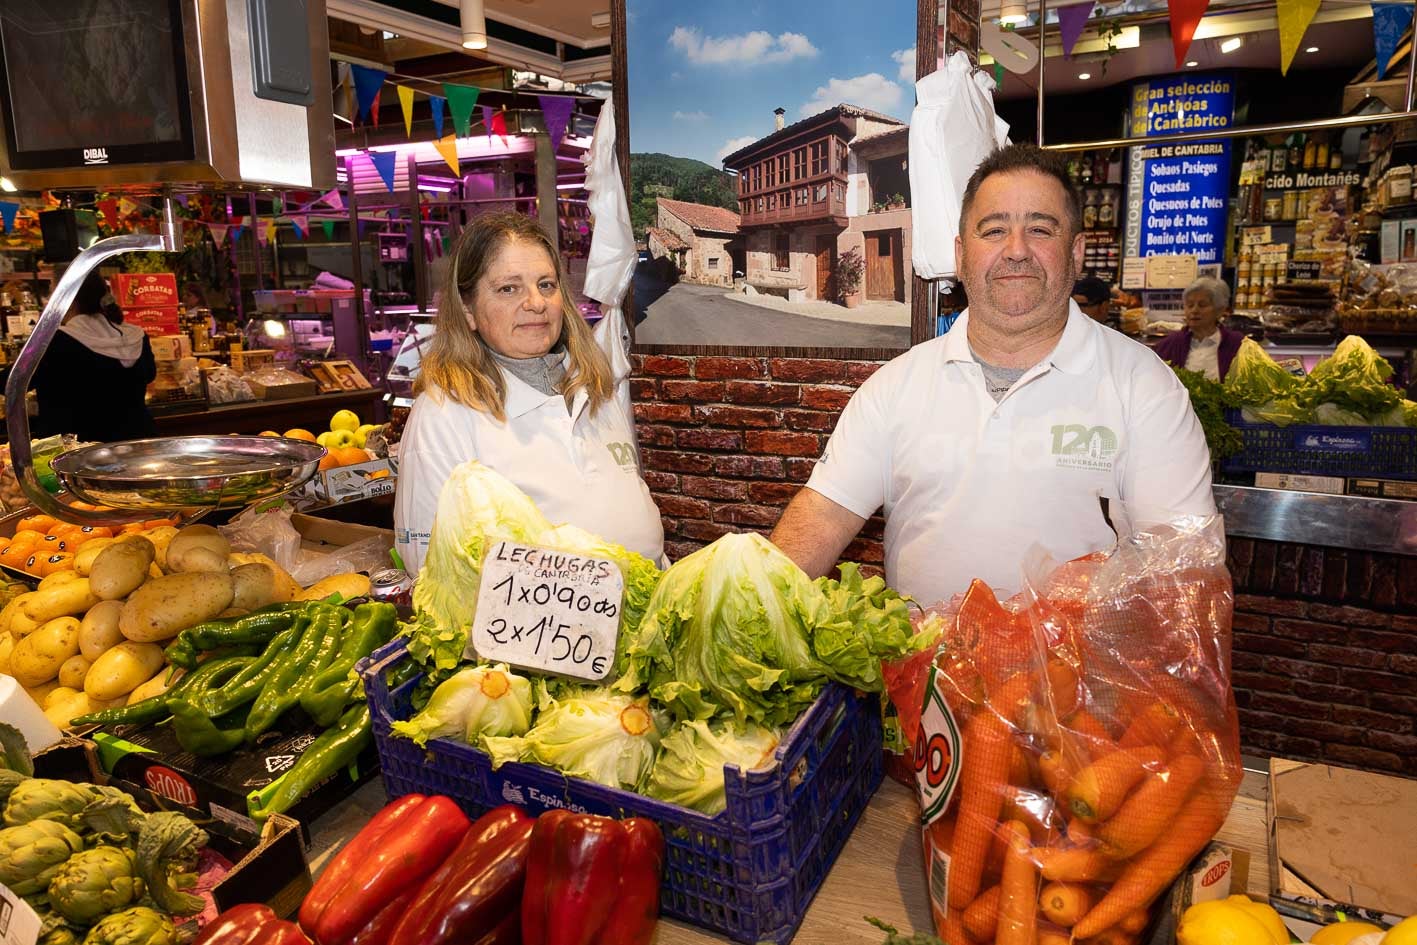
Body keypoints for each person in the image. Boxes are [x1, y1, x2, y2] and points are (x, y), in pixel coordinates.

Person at [768, 144, 1215, 604]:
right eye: (994, 229)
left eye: (1040, 229)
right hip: (921, 674)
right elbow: (824, 514)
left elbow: (1184, 572)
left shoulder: (1146, 388)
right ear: (961, 256)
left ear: (1076, 252)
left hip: (1073, 675)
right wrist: (753, 612)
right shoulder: (894, 387)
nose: (1016, 251)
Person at [393, 212, 663, 576]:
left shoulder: (595, 387)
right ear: (468, 309)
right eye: (509, 288)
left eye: (546, 285)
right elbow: (430, 569)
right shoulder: (444, 414)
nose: (536, 302)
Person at [30, 271, 157, 442]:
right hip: (136, 442)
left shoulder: (56, 341)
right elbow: (149, 375)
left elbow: (11, 382)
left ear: (66, 299)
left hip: (78, 452)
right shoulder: (135, 336)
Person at [1152, 276, 1244, 381]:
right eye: (1190, 305)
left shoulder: (1238, 344)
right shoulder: (1168, 345)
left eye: (1202, 305)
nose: (1194, 310)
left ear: (1220, 310)